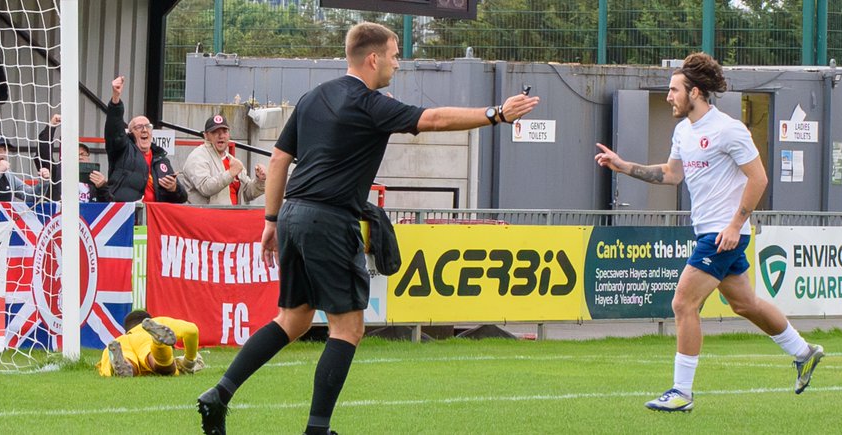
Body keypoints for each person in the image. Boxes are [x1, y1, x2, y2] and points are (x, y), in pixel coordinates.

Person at [196, 22, 539, 435]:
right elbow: (433, 119)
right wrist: (495, 113)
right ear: (373, 58)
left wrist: (271, 219)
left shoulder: (313, 97)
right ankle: (317, 430)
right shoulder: (369, 103)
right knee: (348, 328)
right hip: (329, 219)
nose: (398, 62)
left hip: (293, 215)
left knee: (294, 320)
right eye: (395, 54)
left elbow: (280, 160)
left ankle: (219, 394)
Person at [593, 52, 824, 412]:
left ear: (696, 92)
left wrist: (735, 225)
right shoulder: (683, 131)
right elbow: (671, 175)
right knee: (744, 303)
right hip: (713, 231)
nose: (669, 96)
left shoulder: (729, 129)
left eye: (674, 90)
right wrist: (624, 167)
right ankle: (803, 351)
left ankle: (682, 393)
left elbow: (758, 178)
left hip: (722, 233)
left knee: (683, 303)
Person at [104, 76, 187, 204]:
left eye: (148, 126)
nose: (144, 130)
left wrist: (174, 188)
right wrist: (116, 99)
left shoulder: (161, 159)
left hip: (154, 218)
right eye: (138, 127)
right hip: (127, 215)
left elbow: (182, 198)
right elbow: (114, 129)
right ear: (130, 133)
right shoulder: (122, 150)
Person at [182, 114, 266, 205]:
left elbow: (246, 194)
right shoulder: (197, 156)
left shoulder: (232, 160)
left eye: (224, 131)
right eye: (215, 132)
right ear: (206, 136)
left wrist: (260, 180)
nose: (221, 136)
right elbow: (205, 188)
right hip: (206, 217)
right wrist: (230, 174)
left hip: (234, 216)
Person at [97, 310, 205, 377]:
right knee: (156, 360)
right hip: (145, 338)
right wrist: (189, 362)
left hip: (120, 344)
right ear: (150, 321)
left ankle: (125, 364)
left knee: (127, 362)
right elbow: (191, 330)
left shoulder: (119, 341)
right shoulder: (158, 322)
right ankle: (159, 344)